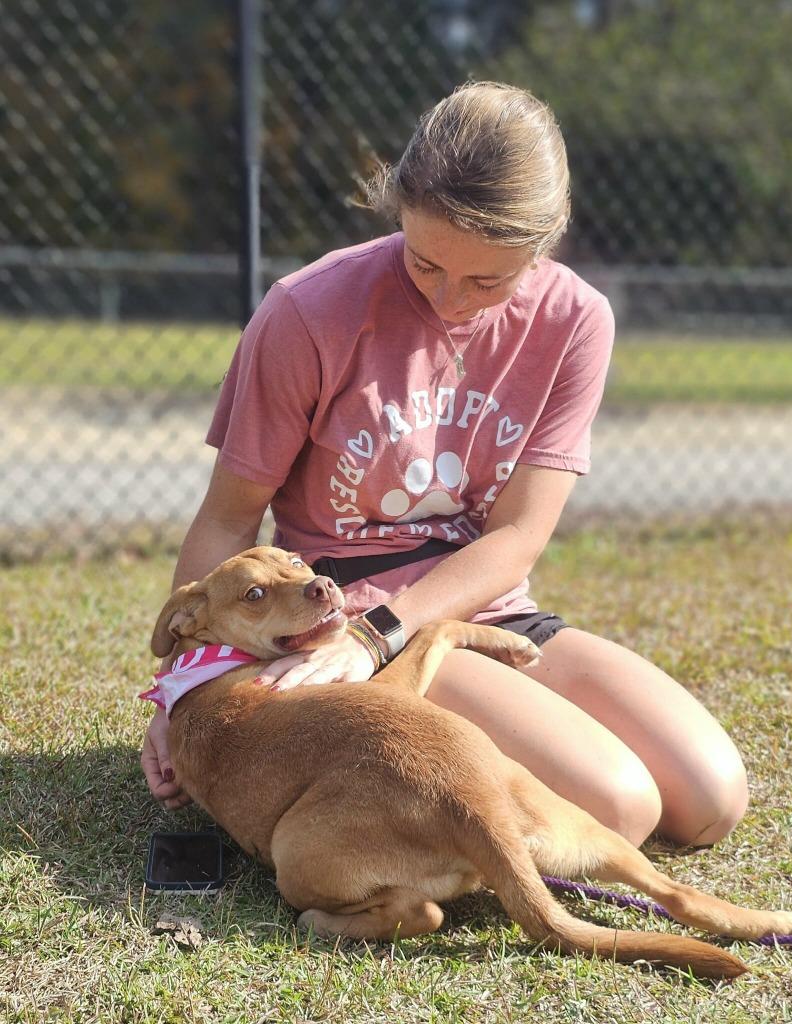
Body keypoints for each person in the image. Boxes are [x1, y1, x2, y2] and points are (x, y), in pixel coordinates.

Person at [141, 81, 748, 849]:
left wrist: (395, 629)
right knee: (621, 809)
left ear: (545, 242)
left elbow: (518, 535)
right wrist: (178, 697)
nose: (450, 299)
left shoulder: (575, 320)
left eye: (487, 280)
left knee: (709, 798)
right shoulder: (309, 311)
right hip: (339, 620)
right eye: (425, 263)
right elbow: (228, 518)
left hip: (477, 609)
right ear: (397, 210)